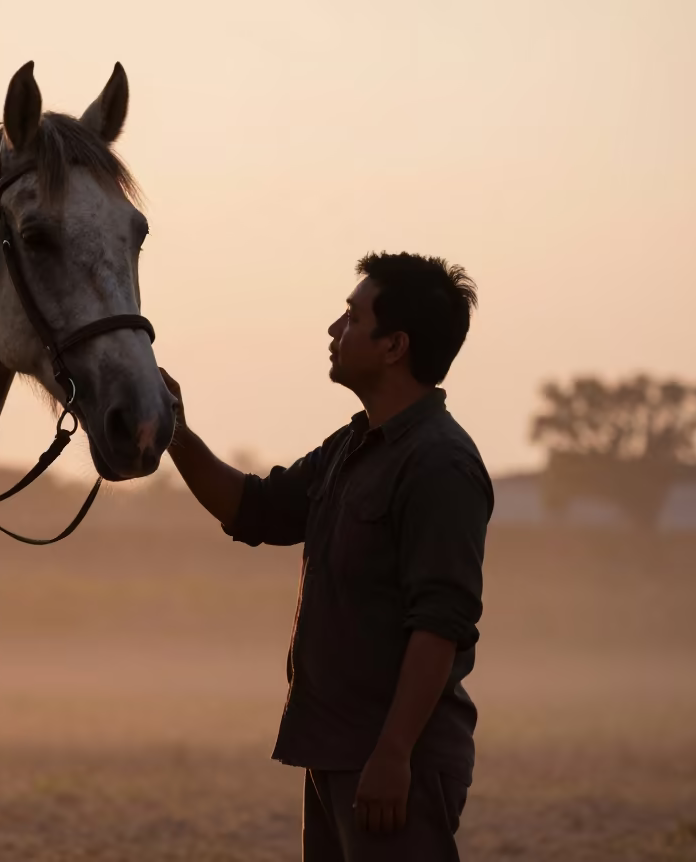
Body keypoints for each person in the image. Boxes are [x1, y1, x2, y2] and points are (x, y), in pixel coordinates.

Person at [160, 251, 492, 861]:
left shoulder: (440, 464)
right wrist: (173, 429)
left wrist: (393, 754)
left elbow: (438, 627)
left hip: (393, 759)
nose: (334, 332)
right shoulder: (353, 445)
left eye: (351, 317)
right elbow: (253, 509)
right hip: (333, 748)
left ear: (394, 346)